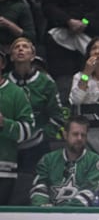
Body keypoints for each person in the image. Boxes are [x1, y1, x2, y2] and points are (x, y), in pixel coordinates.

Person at [6, 37, 64, 205]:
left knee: (35, 191)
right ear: (11, 56)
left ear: (33, 55)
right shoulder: (4, 81)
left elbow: (58, 117)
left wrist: (41, 134)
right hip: (8, 147)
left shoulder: (46, 82)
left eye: (25, 47)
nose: (20, 49)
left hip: (37, 147)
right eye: (16, 47)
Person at [29, 115, 99, 207]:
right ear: (65, 135)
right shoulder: (48, 159)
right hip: (48, 216)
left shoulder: (93, 160)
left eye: (83, 135)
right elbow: (39, 186)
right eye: (75, 134)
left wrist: (66, 211)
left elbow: (92, 190)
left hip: (80, 216)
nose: (79, 138)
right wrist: (43, 206)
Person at [0, 47, 34, 205]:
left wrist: (4, 124)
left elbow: (27, 131)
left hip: (4, 171)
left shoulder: (16, 93)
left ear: (2, 63)